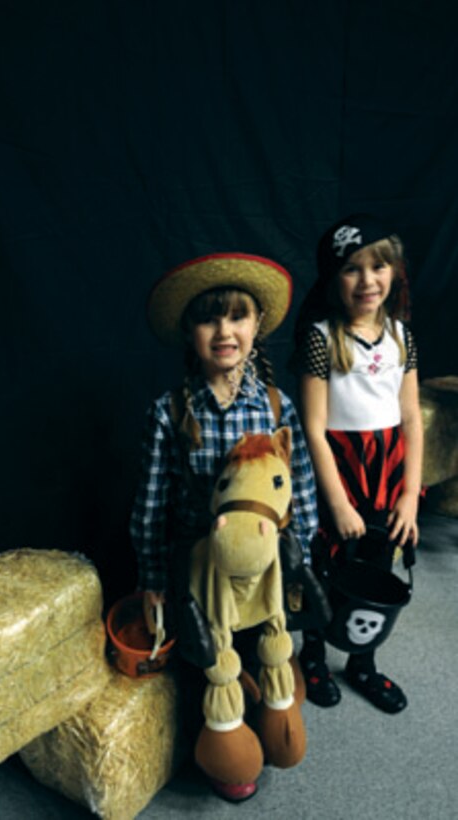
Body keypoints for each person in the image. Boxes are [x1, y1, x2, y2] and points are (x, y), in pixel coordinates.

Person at [130, 252, 318, 801]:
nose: (224, 331)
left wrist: (300, 555)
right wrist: (153, 577)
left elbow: (299, 485)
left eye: (237, 317)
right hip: (199, 564)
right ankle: (222, 737)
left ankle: (268, 705)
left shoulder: (276, 406)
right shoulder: (169, 411)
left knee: (267, 637)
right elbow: (150, 503)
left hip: (265, 564)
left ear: (257, 325)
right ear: (190, 332)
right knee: (207, 654)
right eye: (210, 319)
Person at [290, 214, 423, 714]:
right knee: (326, 568)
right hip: (337, 470)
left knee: (375, 569)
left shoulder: (402, 337)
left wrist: (409, 495)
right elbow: (314, 429)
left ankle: (363, 663)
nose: (368, 280)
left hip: (387, 471)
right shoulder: (322, 339)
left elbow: (411, 418)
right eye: (352, 269)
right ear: (333, 278)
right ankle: (315, 657)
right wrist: (338, 503)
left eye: (379, 266)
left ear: (395, 271)